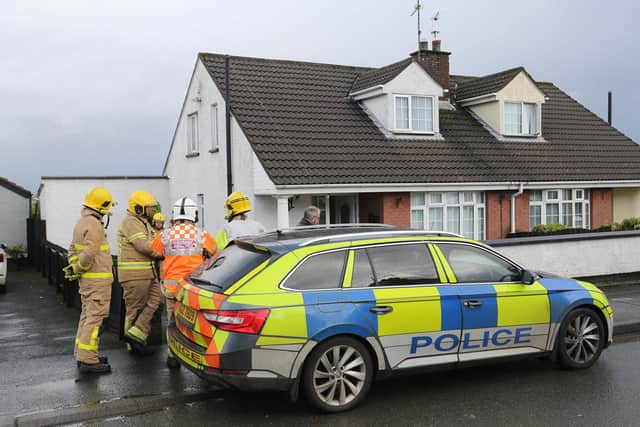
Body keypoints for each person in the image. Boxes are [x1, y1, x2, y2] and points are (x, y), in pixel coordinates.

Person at [151, 197, 218, 369]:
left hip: (172, 289)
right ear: (193, 214)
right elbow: (216, 254)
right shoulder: (202, 235)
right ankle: (197, 355)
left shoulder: (165, 235)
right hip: (193, 290)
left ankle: (172, 356)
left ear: (174, 214)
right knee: (197, 324)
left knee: (172, 322)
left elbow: (155, 252)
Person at [64, 187, 115, 374]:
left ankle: (83, 353)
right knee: (95, 320)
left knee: (86, 317)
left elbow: (72, 250)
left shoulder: (81, 222)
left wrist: (75, 267)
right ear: (100, 206)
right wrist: (79, 267)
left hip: (87, 282)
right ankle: (88, 360)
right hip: (97, 283)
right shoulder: (94, 224)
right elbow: (90, 253)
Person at [117, 190, 163, 355]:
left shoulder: (143, 222)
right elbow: (145, 246)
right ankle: (133, 346)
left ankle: (136, 336)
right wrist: (163, 253)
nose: (151, 211)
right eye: (148, 208)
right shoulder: (131, 222)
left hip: (147, 274)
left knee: (157, 299)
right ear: (138, 208)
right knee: (134, 310)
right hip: (134, 276)